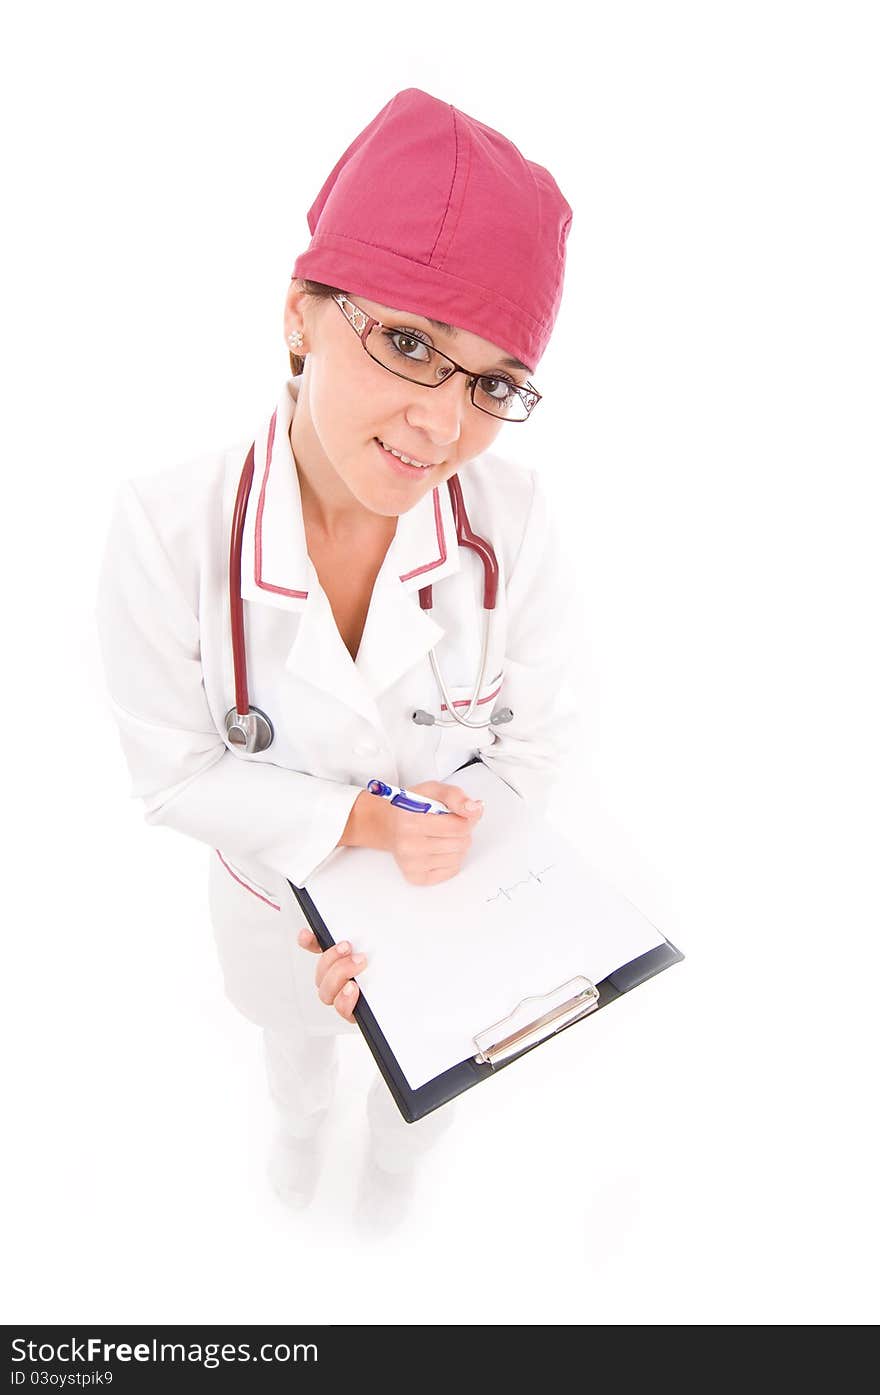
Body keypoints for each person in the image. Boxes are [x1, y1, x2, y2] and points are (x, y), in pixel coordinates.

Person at [96, 88, 576, 1212]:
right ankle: (300, 1154)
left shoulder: (514, 527)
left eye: (492, 382)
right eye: (408, 343)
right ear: (301, 313)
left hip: (447, 907)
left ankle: (391, 1197)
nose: (442, 426)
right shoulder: (168, 529)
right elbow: (172, 776)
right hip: (274, 908)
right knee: (299, 1063)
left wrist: (455, 834)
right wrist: (359, 828)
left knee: (435, 1090)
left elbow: (536, 749)